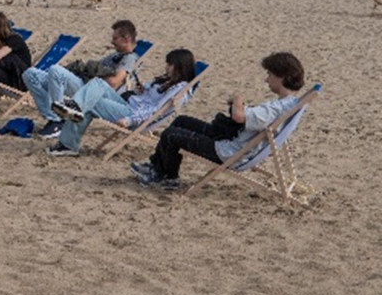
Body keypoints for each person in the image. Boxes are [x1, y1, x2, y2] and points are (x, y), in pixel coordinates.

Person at [131, 52, 305, 190]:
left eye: (270, 74)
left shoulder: (275, 109)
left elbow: (239, 116)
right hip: (233, 140)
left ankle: (168, 178)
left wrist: (237, 100)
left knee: (171, 135)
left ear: (281, 76)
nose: (266, 79)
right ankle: (156, 166)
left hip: (229, 151)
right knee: (182, 121)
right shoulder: (289, 104)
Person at [44, 48, 196, 157]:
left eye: (170, 65)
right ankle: (73, 115)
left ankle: (68, 142)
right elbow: (148, 91)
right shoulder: (167, 80)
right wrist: (141, 90)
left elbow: (156, 111)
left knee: (91, 104)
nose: (166, 67)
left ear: (180, 67)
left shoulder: (180, 89)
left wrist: (129, 120)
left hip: (132, 115)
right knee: (99, 83)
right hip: (128, 103)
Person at [23, 20, 139, 138]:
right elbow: (94, 68)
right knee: (30, 74)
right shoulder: (115, 55)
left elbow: (114, 83)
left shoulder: (129, 58)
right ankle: (51, 117)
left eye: (115, 39)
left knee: (55, 70)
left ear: (126, 39)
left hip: (92, 93)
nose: (112, 42)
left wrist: (95, 72)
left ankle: (58, 121)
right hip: (83, 82)